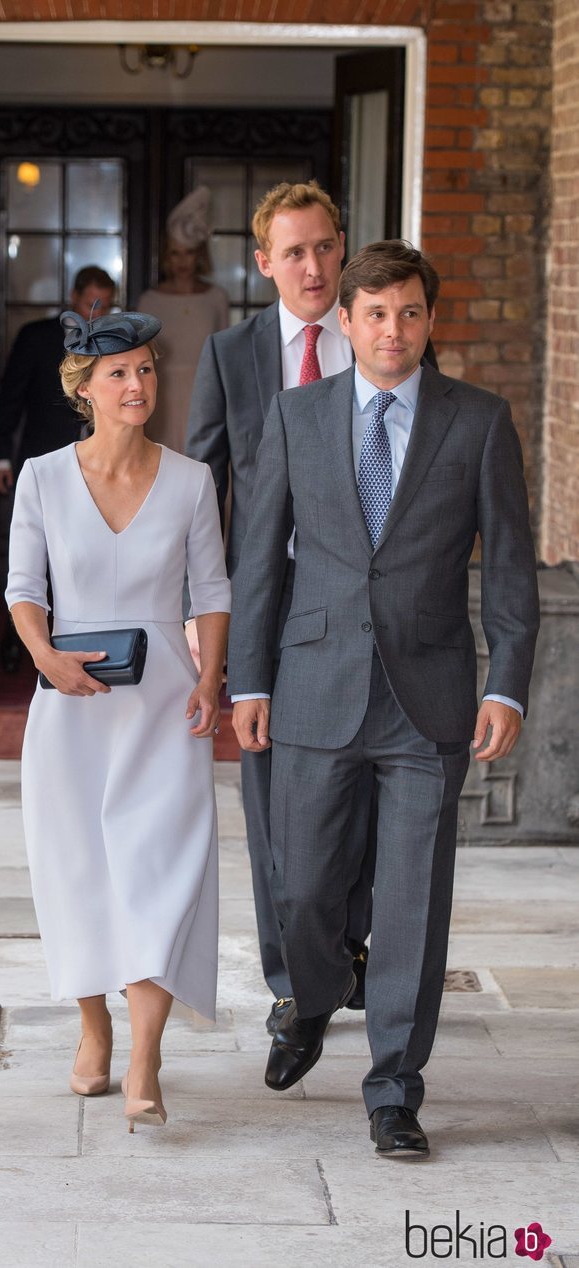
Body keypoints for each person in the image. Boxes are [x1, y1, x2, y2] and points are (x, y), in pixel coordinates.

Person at [228, 240, 539, 1157]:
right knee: (308, 892)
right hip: (313, 687)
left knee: (412, 901)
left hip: (429, 697)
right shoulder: (295, 415)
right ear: (347, 323)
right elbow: (259, 561)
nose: (392, 330)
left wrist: (507, 684)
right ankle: (315, 997)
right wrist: (249, 678)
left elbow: (514, 571)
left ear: (428, 320)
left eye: (408, 312)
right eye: (375, 314)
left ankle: (395, 1090)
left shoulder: (478, 422)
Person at [6, 307, 230, 1132]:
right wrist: (46, 659)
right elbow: (24, 590)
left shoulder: (191, 480)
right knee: (79, 874)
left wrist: (210, 676)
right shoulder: (41, 479)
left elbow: (210, 593)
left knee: (160, 873)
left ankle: (145, 1056)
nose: (138, 385)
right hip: (69, 710)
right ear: (84, 389)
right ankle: (93, 1027)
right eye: (119, 374)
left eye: (146, 370)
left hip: (166, 707)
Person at [187, 181, 378, 1034]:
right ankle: (290, 980)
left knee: (368, 784)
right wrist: (200, 617)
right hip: (268, 603)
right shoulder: (233, 355)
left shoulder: (379, 339)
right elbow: (202, 491)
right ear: (263, 263)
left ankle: (350, 949)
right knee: (272, 798)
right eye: (293, 252)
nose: (312, 266)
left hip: (364, 609)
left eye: (325, 247)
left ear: (344, 250)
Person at [0, 265, 116, 670]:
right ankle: (18, 640)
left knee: (84, 555)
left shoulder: (114, 343)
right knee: (33, 559)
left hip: (100, 466)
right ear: (73, 298)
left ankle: (82, 640)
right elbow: (9, 399)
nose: (95, 315)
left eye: (105, 307)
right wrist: (0, 456)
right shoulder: (36, 337)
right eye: (89, 304)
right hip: (42, 459)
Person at [135, 186, 229, 453]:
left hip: (206, 394)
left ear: (199, 254)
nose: (182, 261)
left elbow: (224, 355)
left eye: (188, 252)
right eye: (175, 253)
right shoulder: (149, 301)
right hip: (161, 397)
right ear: (166, 256)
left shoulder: (216, 298)